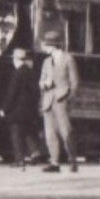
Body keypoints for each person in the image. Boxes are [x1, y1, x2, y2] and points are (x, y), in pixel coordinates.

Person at [37, 30, 80, 173]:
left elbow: (74, 82)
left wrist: (70, 99)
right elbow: (41, 81)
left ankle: (73, 160)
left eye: (45, 45)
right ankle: (54, 162)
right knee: (50, 133)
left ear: (52, 46)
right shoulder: (46, 62)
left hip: (62, 99)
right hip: (48, 100)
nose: (44, 48)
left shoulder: (68, 59)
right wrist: (44, 84)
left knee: (66, 131)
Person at [0, 47, 42, 169]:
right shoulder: (30, 71)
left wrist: (4, 109)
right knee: (27, 131)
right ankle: (35, 152)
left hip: (17, 110)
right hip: (29, 110)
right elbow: (36, 92)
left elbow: (12, 93)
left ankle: (20, 160)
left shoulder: (17, 73)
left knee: (16, 134)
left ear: (16, 60)